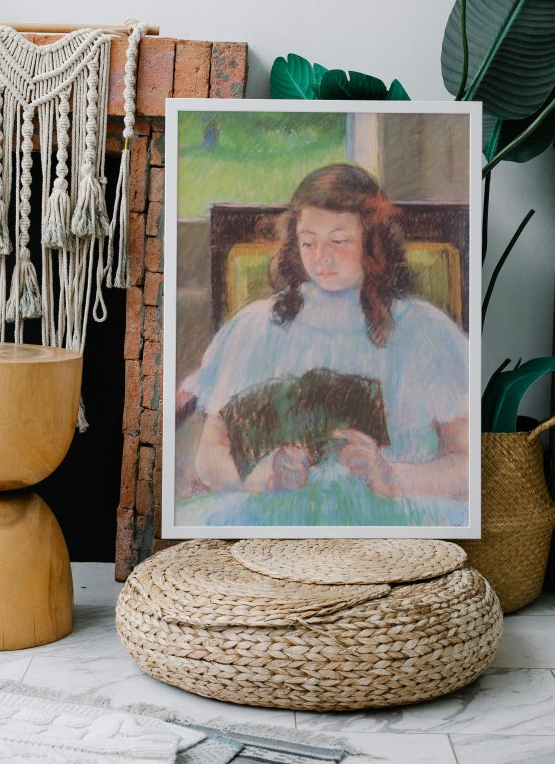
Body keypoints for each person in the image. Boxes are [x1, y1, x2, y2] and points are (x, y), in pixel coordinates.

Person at [176, 164, 469, 528]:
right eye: (308, 241)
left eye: (339, 241)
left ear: (372, 241)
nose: (321, 257)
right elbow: (209, 452)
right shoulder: (256, 328)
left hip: (393, 521)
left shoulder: (424, 331)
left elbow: (467, 461)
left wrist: (390, 476)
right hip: (273, 519)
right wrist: (257, 477)